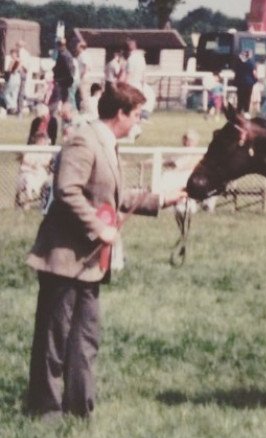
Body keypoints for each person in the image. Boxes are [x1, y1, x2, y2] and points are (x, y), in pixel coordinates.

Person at [24, 82, 186, 419]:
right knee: (55, 339)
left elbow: (114, 196)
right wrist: (99, 228)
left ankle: (79, 407)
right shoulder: (84, 140)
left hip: (91, 263)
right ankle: (46, 409)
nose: (139, 122)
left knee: (86, 338)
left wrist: (163, 200)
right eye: (137, 115)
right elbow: (67, 190)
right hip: (64, 259)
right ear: (120, 113)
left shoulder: (108, 144)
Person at [50, 38, 75, 112]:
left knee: (59, 98)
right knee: (61, 98)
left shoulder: (65, 55)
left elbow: (70, 68)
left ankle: (62, 112)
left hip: (63, 81)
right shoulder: (63, 54)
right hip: (61, 80)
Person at [233, 49, 257, 115]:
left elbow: (235, 71)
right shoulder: (251, 62)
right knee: (247, 97)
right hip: (249, 82)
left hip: (240, 82)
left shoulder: (237, 62)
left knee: (240, 98)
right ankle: (246, 111)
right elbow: (254, 72)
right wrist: (255, 80)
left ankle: (239, 111)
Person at [4, 49, 23, 114]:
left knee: (5, 93)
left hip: (13, 77)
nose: (11, 55)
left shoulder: (14, 61)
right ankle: (13, 109)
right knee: (14, 94)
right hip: (18, 78)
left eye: (12, 54)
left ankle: (12, 106)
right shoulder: (20, 60)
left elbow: (10, 70)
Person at [76, 41, 92, 111]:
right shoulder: (87, 55)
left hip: (84, 78)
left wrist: (81, 75)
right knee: (83, 95)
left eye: (78, 46)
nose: (76, 48)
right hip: (86, 77)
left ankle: (86, 110)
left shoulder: (83, 55)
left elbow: (86, 66)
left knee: (84, 95)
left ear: (81, 47)